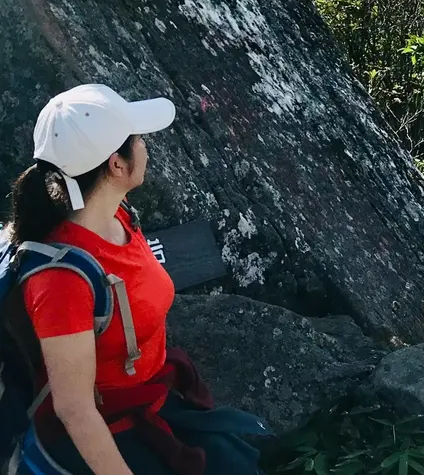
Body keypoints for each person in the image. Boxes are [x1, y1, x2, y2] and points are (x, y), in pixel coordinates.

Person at [7, 84, 269, 475]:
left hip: (154, 395)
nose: (147, 147)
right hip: (111, 428)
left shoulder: (118, 214)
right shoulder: (62, 278)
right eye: (140, 139)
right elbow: (74, 410)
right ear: (117, 164)